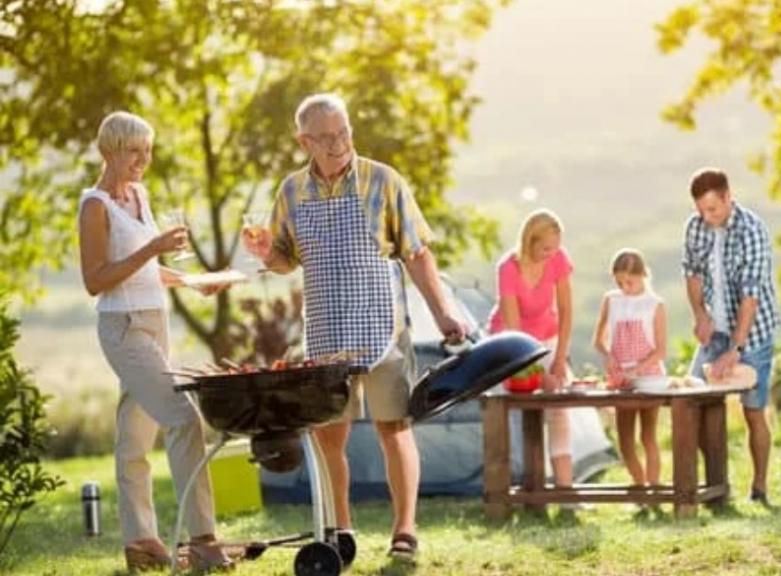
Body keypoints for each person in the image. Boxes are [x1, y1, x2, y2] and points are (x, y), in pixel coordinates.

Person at [242, 93, 466, 560]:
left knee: (394, 428)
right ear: (304, 140)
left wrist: (445, 313)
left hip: (382, 327)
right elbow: (286, 260)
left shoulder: (383, 180)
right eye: (325, 137)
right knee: (330, 435)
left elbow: (417, 254)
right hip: (326, 329)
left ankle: (404, 530)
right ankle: (340, 530)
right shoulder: (291, 191)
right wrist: (266, 252)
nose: (338, 143)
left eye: (343, 132)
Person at [77, 112, 233, 572]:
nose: (142, 160)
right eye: (133, 151)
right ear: (109, 151)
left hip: (153, 321)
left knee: (135, 436)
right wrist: (152, 248)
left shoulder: (138, 196)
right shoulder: (95, 205)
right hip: (122, 327)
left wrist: (189, 280)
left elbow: (145, 270)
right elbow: (95, 280)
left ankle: (141, 543)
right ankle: (203, 539)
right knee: (185, 419)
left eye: (147, 151)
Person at [681, 167, 781, 504]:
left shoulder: (752, 230)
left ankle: (760, 489)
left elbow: (751, 295)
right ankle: (716, 487)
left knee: (753, 412)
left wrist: (736, 348)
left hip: (752, 333)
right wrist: (700, 315)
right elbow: (692, 273)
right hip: (716, 331)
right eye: (701, 210)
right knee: (691, 401)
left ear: (727, 197)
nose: (706, 217)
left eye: (713, 209)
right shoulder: (696, 227)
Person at [487, 209, 576, 496]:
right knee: (518, 406)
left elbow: (565, 310)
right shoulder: (508, 269)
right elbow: (515, 334)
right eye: (546, 248)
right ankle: (520, 488)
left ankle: (565, 490)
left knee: (558, 407)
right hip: (512, 344)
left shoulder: (558, 259)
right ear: (530, 242)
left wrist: (560, 360)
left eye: (556, 247)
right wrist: (539, 375)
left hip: (546, 338)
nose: (552, 254)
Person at [592, 248, 667, 487]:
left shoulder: (655, 304)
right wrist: (609, 358)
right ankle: (640, 486)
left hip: (649, 378)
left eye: (630, 281)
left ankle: (653, 489)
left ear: (643, 275)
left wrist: (636, 370)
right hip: (620, 379)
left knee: (648, 436)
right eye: (620, 282)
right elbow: (599, 341)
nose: (625, 287)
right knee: (625, 441)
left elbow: (661, 351)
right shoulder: (611, 300)